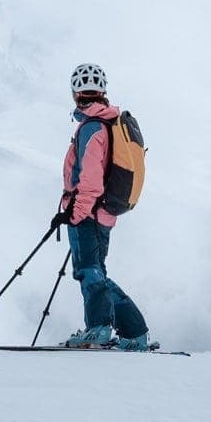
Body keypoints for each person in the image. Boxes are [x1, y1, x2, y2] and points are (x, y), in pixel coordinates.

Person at [51, 63, 150, 350]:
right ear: (102, 91)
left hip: (88, 213)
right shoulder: (107, 123)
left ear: (75, 94)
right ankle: (134, 332)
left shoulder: (92, 127)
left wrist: (74, 214)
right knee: (96, 272)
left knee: (89, 272)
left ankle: (98, 328)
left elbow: (91, 181)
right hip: (103, 213)